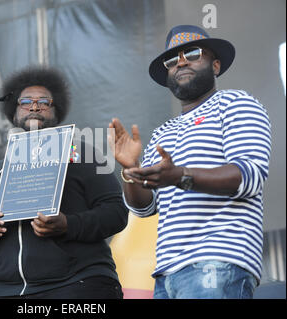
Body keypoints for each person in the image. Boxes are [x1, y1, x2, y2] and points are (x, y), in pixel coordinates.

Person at [109, 25, 271, 299]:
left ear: (215, 65)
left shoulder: (236, 103)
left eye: (192, 53)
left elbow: (249, 176)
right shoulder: (163, 132)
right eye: (171, 60)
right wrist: (129, 171)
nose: (181, 62)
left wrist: (180, 176)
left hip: (218, 260)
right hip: (167, 273)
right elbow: (145, 208)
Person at [0, 65, 128, 298]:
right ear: (13, 113)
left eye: (44, 101)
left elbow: (117, 213)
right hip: (3, 290)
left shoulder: (84, 155)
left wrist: (68, 225)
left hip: (75, 286)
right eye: (25, 102)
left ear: (57, 111)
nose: (34, 106)